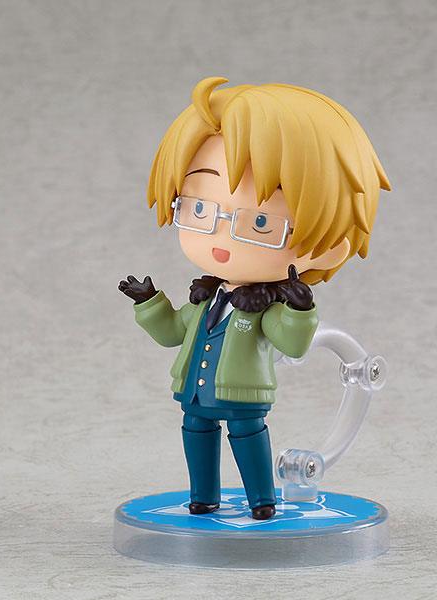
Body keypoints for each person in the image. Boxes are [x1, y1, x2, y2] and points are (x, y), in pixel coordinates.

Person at [119, 77, 389, 519]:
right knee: (196, 433)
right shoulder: (205, 299)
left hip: (244, 396)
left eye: (261, 222)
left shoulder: (263, 307)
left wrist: (300, 308)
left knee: (247, 438)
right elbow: (172, 332)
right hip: (196, 393)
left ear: (329, 244)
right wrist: (148, 302)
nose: (222, 238)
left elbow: (293, 344)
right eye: (200, 209)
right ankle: (203, 496)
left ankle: (262, 501)